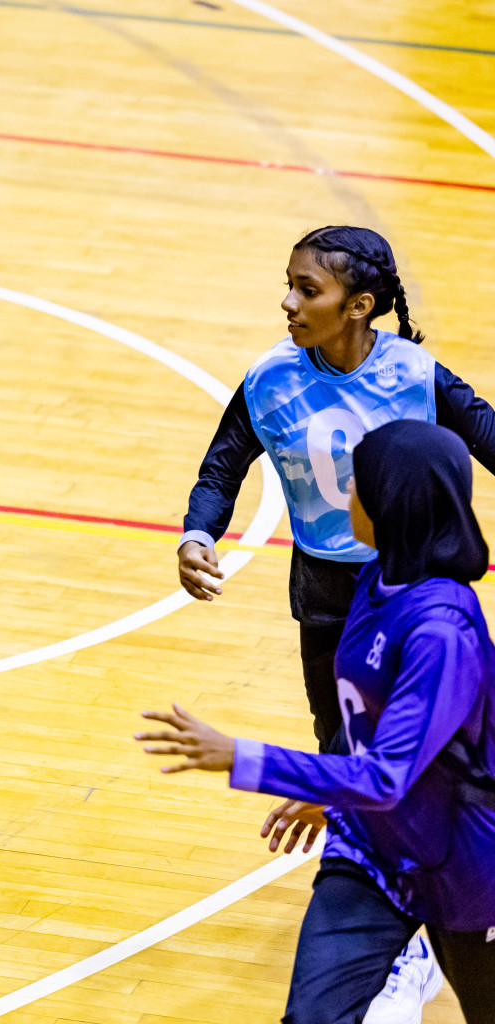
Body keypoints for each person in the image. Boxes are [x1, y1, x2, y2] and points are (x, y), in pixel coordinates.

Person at [175, 225, 495, 1018]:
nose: (288, 303)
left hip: (407, 575)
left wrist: (240, 756)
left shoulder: (416, 376)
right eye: (286, 284)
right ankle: (387, 908)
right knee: (344, 742)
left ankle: (423, 922)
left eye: (306, 290)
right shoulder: (271, 378)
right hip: (329, 587)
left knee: (421, 760)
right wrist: (196, 531)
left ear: (358, 306)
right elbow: (223, 463)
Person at [138, 419, 495, 1024]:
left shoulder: (443, 633)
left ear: (392, 502)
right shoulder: (375, 580)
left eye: (359, 486)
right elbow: (361, 719)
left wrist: (241, 757)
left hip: (462, 864)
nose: (347, 496)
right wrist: (329, 787)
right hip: (373, 850)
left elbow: (384, 776)